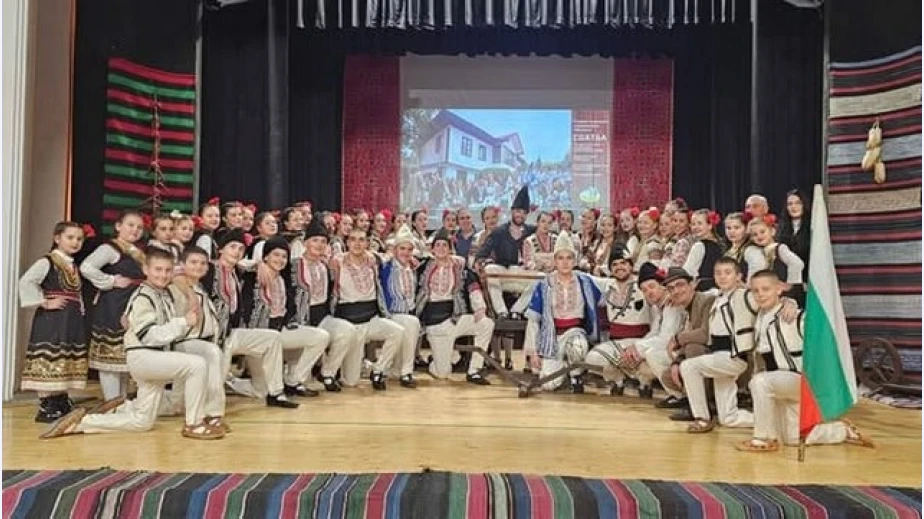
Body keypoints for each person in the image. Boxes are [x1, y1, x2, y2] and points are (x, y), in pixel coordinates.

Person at [41, 248, 226, 440]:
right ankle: (194, 423)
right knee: (197, 365)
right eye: (158, 269)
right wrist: (183, 322)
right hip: (145, 356)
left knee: (142, 422)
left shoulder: (160, 294)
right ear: (145, 269)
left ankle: (84, 422)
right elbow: (149, 336)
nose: (163, 275)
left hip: (152, 357)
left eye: (167, 270)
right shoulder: (144, 296)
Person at [736, 270, 874, 453]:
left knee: (759, 382)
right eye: (755, 290)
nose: (760, 294)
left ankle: (763, 438)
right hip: (779, 384)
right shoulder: (758, 315)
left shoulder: (796, 317)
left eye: (766, 289)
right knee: (792, 438)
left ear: (779, 289)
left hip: (800, 380)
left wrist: (791, 302)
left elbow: (823, 346)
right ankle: (841, 430)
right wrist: (789, 300)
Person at [173, 245, 297, 409]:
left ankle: (275, 393)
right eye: (232, 246)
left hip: (228, 333)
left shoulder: (237, 270)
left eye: (240, 248)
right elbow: (176, 273)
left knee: (272, 338)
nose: (236, 251)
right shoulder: (208, 270)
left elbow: (250, 263)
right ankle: (210, 401)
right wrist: (190, 295)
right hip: (206, 340)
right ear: (220, 250)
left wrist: (260, 264)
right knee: (184, 402)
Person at [19, 222, 90, 422]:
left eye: (79, 239)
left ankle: (60, 399)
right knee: (50, 355)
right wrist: (45, 302)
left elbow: (76, 292)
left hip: (70, 319)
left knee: (64, 356)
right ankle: (46, 404)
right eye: (70, 237)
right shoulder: (47, 262)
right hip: (52, 320)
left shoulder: (71, 265)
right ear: (57, 238)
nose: (75, 242)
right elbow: (26, 281)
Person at [240, 235, 329, 396]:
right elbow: (235, 264)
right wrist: (257, 264)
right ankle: (231, 382)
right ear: (266, 256)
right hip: (258, 335)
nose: (280, 260)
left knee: (320, 336)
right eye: (275, 254)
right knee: (261, 391)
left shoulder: (284, 277)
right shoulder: (252, 275)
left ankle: (293, 381)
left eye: (284, 256)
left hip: (279, 330)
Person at [680, 257, 756, 433]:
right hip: (719, 356)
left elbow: (765, 298)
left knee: (689, 367)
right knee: (729, 418)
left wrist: (788, 302)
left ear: (738, 276)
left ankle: (702, 418)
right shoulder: (718, 298)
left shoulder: (744, 295)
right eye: (718, 273)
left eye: (728, 273)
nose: (722, 276)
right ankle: (771, 418)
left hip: (734, 355)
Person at [284, 217, 358, 393]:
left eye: (323, 241)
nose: (319, 245)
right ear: (305, 243)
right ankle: (295, 381)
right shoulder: (292, 265)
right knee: (320, 338)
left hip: (321, 316)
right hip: (298, 320)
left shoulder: (325, 266)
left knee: (347, 330)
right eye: (315, 240)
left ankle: (328, 373)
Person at [523, 232, 604, 392]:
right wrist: (533, 352)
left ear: (575, 260)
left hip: (576, 332)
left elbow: (606, 294)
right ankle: (564, 369)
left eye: (569, 258)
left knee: (577, 346)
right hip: (552, 337)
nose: (565, 262)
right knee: (548, 384)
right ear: (555, 261)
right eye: (561, 258)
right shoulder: (545, 284)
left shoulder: (585, 282)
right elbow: (533, 320)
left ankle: (575, 376)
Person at [80, 210, 146, 401]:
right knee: (110, 357)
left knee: (124, 359)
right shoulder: (110, 249)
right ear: (118, 226)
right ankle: (111, 402)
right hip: (113, 305)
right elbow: (87, 267)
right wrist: (111, 281)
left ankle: (121, 401)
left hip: (130, 304)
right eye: (130, 225)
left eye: (139, 227)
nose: (135, 230)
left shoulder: (137, 252)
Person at [328, 228, 405, 389]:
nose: (357, 243)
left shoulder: (373, 260)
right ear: (347, 242)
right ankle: (339, 370)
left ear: (367, 243)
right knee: (351, 382)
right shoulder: (337, 261)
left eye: (361, 240)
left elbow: (391, 255)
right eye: (353, 239)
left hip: (371, 320)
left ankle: (378, 370)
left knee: (397, 331)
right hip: (350, 325)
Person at [418, 229, 494, 385]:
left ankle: (474, 370)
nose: (441, 248)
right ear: (432, 249)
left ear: (450, 249)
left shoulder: (460, 269)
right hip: (435, 324)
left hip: (455, 318)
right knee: (442, 374)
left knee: (486, 324)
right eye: (437, 245)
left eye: (444, 245)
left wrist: (479, 307)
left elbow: (473, 287)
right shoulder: (423, 267)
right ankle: (437, 360)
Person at [583, 247, 650, 395]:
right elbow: (585, 278)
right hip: (616, 343)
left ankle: (645, 383)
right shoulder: (607, 285)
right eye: (614, 264)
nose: (619, 267)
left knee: (649, 364)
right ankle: (618, 380)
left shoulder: (644, 286)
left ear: (631, 266)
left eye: (623, 263)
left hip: (640, 343)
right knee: (593, 358)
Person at [475, 185, 537, 318]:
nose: (520, 215)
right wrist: (481, 262)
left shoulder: (532, 231)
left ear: (527, 214)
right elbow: (482, 253)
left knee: (540, 279)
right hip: (504, 272)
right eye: (518, 211)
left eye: (524, 212)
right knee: (490, 270)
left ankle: (517, 310)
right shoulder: (499, 231)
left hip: (523, 273)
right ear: (512, 211)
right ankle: (501, 312)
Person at [375, 225, 421, 389]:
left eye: (409, 249)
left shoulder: (414, 269)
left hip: (407, 313)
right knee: (412, 323)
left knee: (411, 322)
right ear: (395, 249)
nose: (406, 253)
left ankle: (400, 370)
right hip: (389, 313)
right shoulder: (385, 266)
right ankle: (405, 371)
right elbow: (373, 257)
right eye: (402, 248)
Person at [682, 209, 725, 292]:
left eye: (699, 223)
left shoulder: (699, 246)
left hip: (703, 290)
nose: (695, 227)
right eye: (693, 224)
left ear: (710, 225)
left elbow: (688, 272)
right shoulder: (721, 244)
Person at [778, 189, 811, 283]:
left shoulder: (812, 226)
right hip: (787, 277)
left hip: (808, 276)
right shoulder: (781, 227)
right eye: (790, 204)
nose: (793, 207)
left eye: (798, 203)